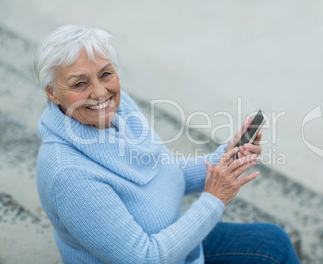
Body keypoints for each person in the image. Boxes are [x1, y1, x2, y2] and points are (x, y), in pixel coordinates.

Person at [34, 25, 300, 264]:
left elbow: (162, 172)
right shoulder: (67, 174)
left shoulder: (119, 107)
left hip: (172, 238)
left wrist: (225, 158)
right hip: (156, 255)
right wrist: (214, 198)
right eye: (80, 83)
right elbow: (144, 258)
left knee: (272, 242)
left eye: (105, 74)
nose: (101, 92)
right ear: (52, 92)